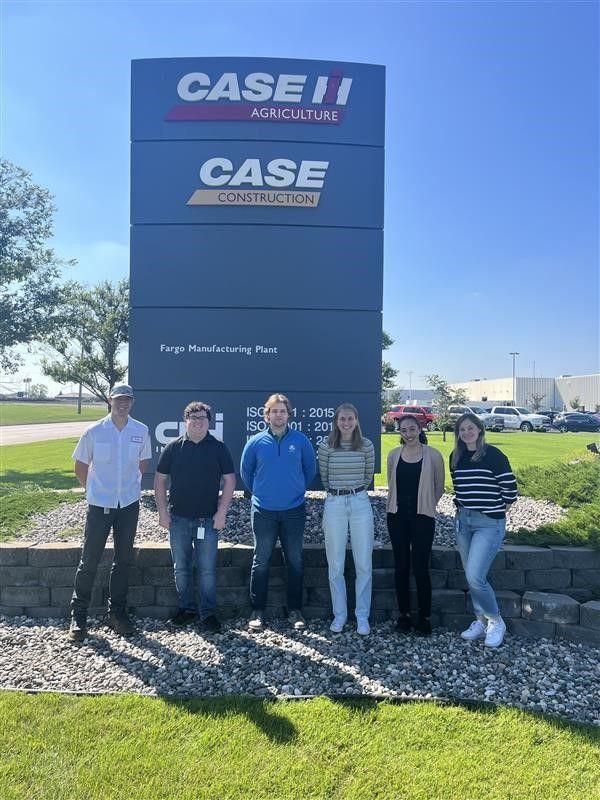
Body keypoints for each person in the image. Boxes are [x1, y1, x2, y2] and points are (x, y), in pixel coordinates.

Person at [69, 384, 151, 642]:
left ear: (132, 402)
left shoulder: (141, 430)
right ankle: (78, 616)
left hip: (128, 504)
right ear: (110, 400)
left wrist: (128, 486)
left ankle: (116, 613)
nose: (123, 404)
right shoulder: (94, 431)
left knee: (123, 560)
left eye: (127, 399)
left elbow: (143, 462)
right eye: (119, 399)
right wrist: (94, 491)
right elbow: (80, 466)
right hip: (99, 505)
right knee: (89, 560)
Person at [154, 401, 236, 633]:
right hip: (178, 520)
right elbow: (160, 480)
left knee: (207, 569)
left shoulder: (219, 448)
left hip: (208, 521)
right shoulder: (173, 448)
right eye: (194, 417)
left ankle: (208, 614)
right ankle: (187, 609)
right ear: (186, 420)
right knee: (181, 568)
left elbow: (230, 481)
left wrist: (222, 513)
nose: (198, 421)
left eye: (203, 418)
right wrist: (162, 511)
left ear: (209, 421)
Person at [240, 393, 317, 632]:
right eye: (274, 411)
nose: (279, 415)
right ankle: (257, 611)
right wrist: (263, 493)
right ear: (267, 415)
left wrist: (293, 490)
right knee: (260, 561)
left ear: (288, 414)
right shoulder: (255, 442)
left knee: (294, 561)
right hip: (263, 511)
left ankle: (295, 611)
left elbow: (310, 470)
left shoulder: (301, 440)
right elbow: (246, 473)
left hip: (294, 510)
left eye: (282, 411)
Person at [450, 412, 517, 648]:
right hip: (463, 522)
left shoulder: (494, 455)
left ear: (479, 430)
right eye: (462, 429)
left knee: (476, 576)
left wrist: (495, 511)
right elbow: (459, 488)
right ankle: (480, 620)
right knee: (471, 575)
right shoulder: (456, 457)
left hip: (489, 523)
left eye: (470, 428)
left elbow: (510, 491)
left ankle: (496, 620)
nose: (466, 433)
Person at [318, 403, 375, 635]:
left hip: (360, 501)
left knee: (363, 563)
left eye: (350, 418)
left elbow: (368, 475)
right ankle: (340, 615)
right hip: (335, 503)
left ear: (356, 420)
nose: (346, 423)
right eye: (342, 419)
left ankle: (362, 616)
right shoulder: (326, 446)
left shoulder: (366, 446)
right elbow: (324, 477)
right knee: (336, 564)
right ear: (336, 421)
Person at [386, 414, 445, 635]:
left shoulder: (433, 455)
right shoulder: (393, 455)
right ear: (400, 433)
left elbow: (439, 487)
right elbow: (392, 485)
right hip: (397, 517)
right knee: (401, 567)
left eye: (412, 429)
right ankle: (404, 616)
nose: (408, 434)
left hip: (423, 518)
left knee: (420, 568)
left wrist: (427, 505)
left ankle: (424, 617)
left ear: (420, 429)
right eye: (404, 430)